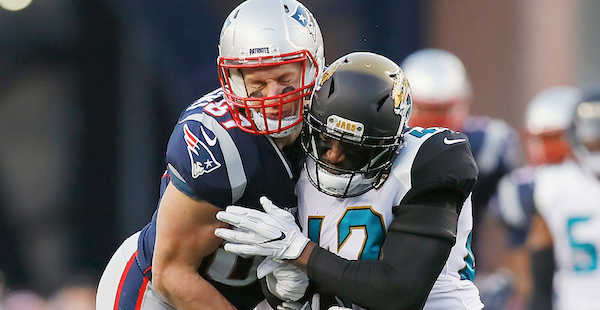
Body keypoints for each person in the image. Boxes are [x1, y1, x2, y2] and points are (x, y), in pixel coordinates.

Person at [95, 0, 324, 309]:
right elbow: (172, 273)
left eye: (285, 79)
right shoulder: (220, 140)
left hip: (255, 296)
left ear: (314, 68)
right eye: (257, 83)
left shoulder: (331, 126)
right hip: (162, 294)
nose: (272, 97)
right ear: (232, 79)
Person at [215, 52, 484, 310]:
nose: (333, 155)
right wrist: (287, 289)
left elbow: (399, 292)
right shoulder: (296, 157)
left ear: (389, 146)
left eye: (354, 149)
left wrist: (299, 252)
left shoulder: (427, 162)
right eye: (324, 141)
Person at [399, 48, 524, 270]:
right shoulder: (390, 147)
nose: (433, 121)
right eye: (425, 109)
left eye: (442, 109)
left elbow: (514, 218)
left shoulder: (486, 146)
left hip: (463, 269)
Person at [501, 86, 600, 310]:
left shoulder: (550, 186)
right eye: (594, 135)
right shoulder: (549, 186)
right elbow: (537, 271)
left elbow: (540, 275)